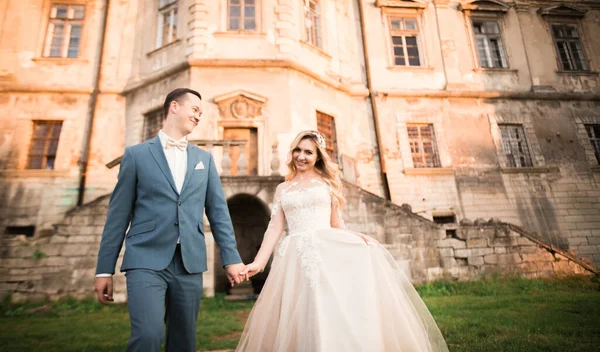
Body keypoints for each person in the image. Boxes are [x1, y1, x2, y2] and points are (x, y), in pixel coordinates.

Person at [237, 130, 449, 351]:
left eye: (308, 152)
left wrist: (357, 237)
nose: (301, 156)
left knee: (328, 309)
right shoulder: (283, 188)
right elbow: (274, 228)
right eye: (297, 150)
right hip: (294, 258)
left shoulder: (327, 184)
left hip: (325, 251)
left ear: (318, 156)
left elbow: (336, 224)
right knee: (300, 312)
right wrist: (259, 263)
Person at [95, 88, 246, 352]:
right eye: (195, 109)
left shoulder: (204, 160)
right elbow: (117, 216)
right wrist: (104, 269)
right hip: (145, 259)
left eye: (201, 112)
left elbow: (218, 212)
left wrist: (231, 258)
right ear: (174, 106)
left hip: (189, 262)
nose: (199, 116)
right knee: (148, 336)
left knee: (183, 341)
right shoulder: (136, 155)